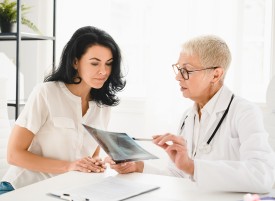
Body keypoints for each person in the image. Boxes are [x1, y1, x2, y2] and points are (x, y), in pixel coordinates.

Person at [107, 35, 275, 193]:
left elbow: (262, 175)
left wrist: (193, 166)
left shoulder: (245, 112)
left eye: (187, 70)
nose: (178, 77)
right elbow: (180, 175)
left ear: (215, 74)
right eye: (178, 69)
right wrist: (139, 167)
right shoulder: (189, 116)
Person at [0, 26, 125, 195]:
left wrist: (95, 164)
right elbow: (14, 155)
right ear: (75, 62)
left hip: (66, 192)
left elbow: (91, 154)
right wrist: (69, 166)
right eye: (95, 63)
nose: (103, 71)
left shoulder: (104, 105)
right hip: (21, 189)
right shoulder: (46, 93)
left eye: (108, 64)